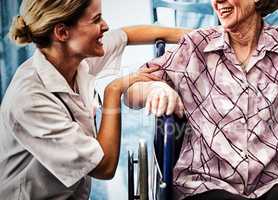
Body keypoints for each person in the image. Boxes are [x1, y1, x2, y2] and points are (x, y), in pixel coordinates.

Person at [126, 0, 278, 199]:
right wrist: (156, 88)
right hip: (204, 180)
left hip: (277, 178)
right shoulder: (195, 46)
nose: (217, 1)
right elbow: (131, 91)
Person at [0, 0, 189, 199]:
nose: (105, 25)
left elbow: (127, 35)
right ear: (62, 32)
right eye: (96, 19)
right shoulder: (30, 101)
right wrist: (113, 92)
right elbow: (104, 167)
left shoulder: (73, 56)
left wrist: (197, 35)